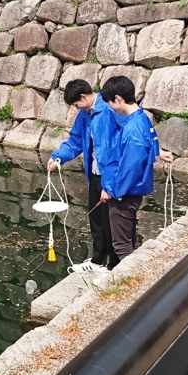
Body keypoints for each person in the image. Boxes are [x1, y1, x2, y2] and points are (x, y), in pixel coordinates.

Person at [47, 79, 118, 273]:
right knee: (96, 220)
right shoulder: (84, 115)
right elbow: (75, 141)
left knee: (111, 222)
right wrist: (57, 157)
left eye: (76, 104)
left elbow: (120, 146)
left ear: (83, 97)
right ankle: (97, 261)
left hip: (111, 174)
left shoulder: (110, 109)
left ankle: (113, 266)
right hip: (94, 175)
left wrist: (111, 183)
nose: (75, 108)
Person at [100, 76, 171, 261]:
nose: (110, 107)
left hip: (124, 193)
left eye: (110, 102)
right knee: (130, 239)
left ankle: (133, 284)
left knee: (121, 245)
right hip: (132, 192)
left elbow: (130, 166)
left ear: (119, 99)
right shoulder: (142, 119)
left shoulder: (132, 128)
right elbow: (149, 146)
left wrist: (112, 190)